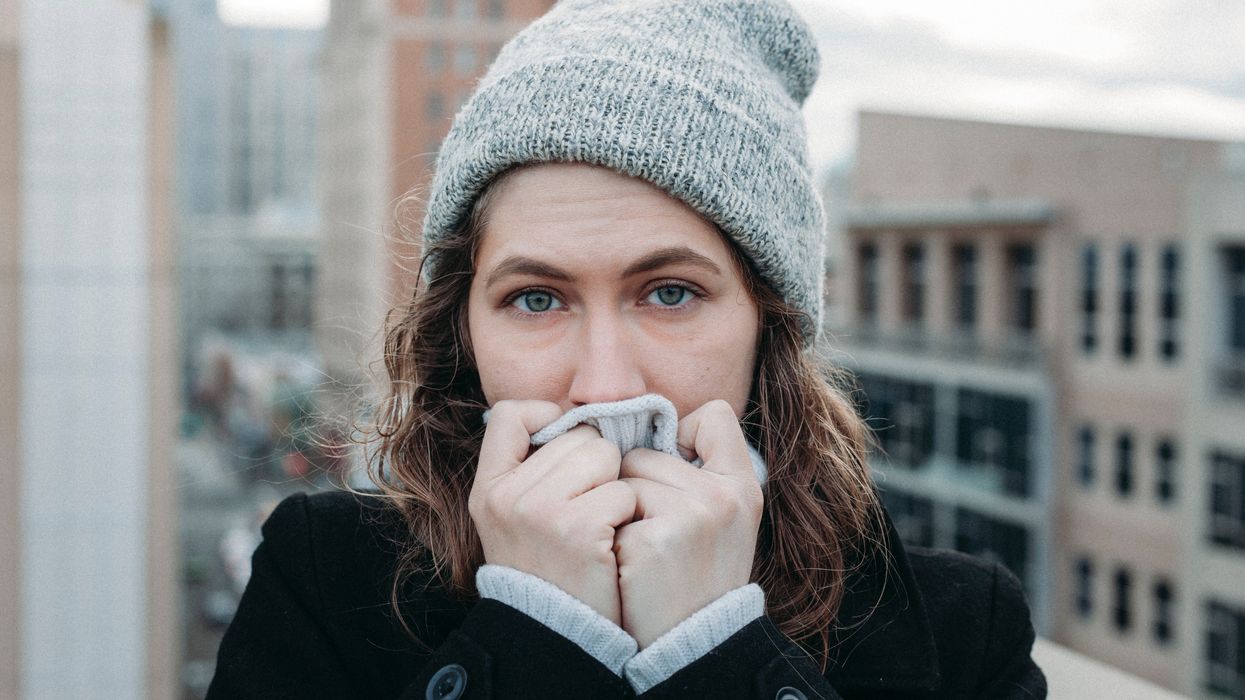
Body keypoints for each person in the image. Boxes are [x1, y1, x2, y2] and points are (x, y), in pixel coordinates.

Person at [208, 1, 1047, 698]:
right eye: (536, 299)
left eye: (670, 293)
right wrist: (534, 633)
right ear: (460, 331)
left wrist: (713, 650)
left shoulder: (962, 631)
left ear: (770, 324)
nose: (605, 386)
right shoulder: (323, 578)